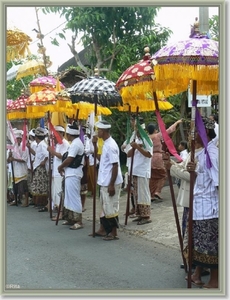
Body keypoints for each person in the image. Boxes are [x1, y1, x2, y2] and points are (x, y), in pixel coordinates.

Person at [167, 117, 219, 288]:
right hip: (197, 205)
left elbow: (218, 183)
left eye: (195, 130)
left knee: (210, 246)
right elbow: (195, 176)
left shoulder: (212, 154)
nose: (193, 134)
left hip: (209, 208)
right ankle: (196, 274)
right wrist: (189, 170)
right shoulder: (200, 152)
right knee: (197, 242)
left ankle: (215, 279)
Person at [91, 120, 123, 240]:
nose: (97, 132)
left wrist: (111, 185)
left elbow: (115, 165)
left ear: (102, 131)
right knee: (104, 206)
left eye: (98, 130)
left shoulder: (111, 145)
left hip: (110, 181)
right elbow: (102, 159)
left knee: (110, 207)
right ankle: (104, 229)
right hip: (104, 180)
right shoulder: (104, 144)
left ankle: (113, 232)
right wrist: (94, 146)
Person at [146, 119, 182, 201]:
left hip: (149, 158)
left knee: (153, 177)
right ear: (155, 130)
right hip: (158, 157)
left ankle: (151, 194)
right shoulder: (157, 136)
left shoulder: (146, 138)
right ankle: (157, 191)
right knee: (163, 175)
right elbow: (169, 131)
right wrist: (176, 123)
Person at [58, 123, 85, 230]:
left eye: (67, 134)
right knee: (68, 197)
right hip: (70, 173)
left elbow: (69, 159)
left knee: (74, 197)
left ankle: (78, 220)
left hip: (74, 173)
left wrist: (60, 167)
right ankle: (70, 218)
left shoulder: (75, 144)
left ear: (70, 134)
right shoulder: (75, 143)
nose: (66, 136)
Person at [125, 120, 153, 225]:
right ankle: (140, 214)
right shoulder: (134, 139)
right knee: (137, 194)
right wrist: (134, 147)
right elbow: (128, 154)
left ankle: (146, 216)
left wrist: (138, 148)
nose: (136, 133)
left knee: (143, 194)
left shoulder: (147, 140)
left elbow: (149, 154)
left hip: (143, 170)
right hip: (135, 170)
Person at [47, 125, 69, 220]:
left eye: (55, 135)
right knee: (55, 194)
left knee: (59, 193)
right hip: (55, 173)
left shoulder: (65, 144)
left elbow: (63, 156)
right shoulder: (57, 145)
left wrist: (53, 152)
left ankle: (61, 213)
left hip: (61, 173)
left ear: (60, 134)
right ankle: (58, 211)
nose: (53, 138)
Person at [7, 130, 29, 207]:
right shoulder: (13, 148)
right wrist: (9, 156)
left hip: (22, 171)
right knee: (15, 187)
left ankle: (26, 201)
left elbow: (24, 160)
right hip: (14, 170)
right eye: (17, 139)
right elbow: (8, 160)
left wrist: (14, 159)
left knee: (23, 187)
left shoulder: (24, 148)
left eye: (19, 139)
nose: (18, 140)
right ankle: (16, 200)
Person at [29, 127, 49, 210]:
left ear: (37, 137)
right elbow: (36, 154)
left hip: (41, 168)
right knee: (38, 186)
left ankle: (42, 203)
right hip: (37, 167)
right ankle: (39, 202)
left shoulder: (42, 145)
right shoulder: (39, 145)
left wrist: (44, 161)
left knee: (42, 186)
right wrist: (29, 148)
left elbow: (47, 154)